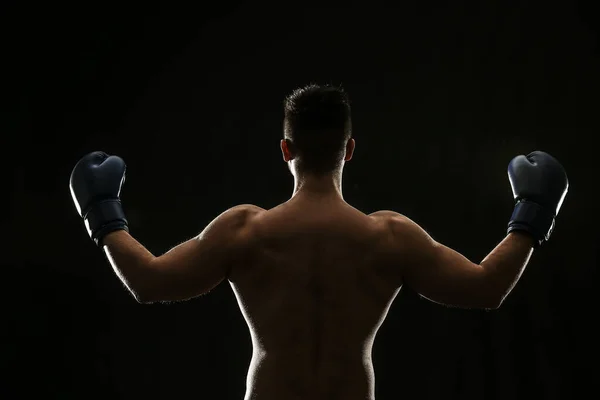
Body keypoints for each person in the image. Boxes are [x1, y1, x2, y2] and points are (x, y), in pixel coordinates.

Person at [69, 84, 569, 400]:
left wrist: (103, 214)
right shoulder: (388, 237)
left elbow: (149, 282)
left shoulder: (246, 230)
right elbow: (486, 288)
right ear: (350, 150)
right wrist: (533, 213)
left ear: (285, 149)